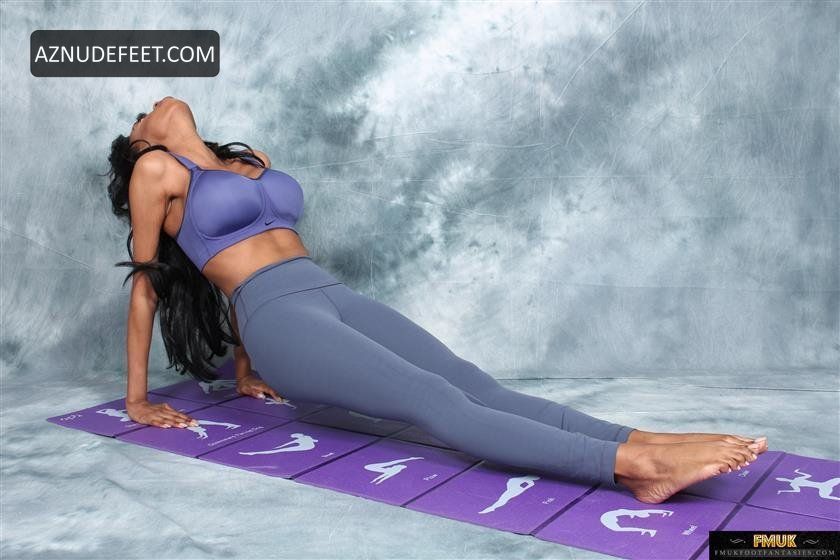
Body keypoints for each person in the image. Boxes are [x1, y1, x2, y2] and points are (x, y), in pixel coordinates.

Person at [106, 96, 767, 504]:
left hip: (330, 293)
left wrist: (245, 370)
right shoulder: (155, 171)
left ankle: (643, 438)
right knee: (433, 400)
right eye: (138, 119)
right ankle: (636, 467)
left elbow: (261, 240)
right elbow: (146, 285)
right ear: (141, 145)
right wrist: (136, 400)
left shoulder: (249, 159)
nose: (149, 106)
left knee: (474, 383)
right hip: (277, 315)